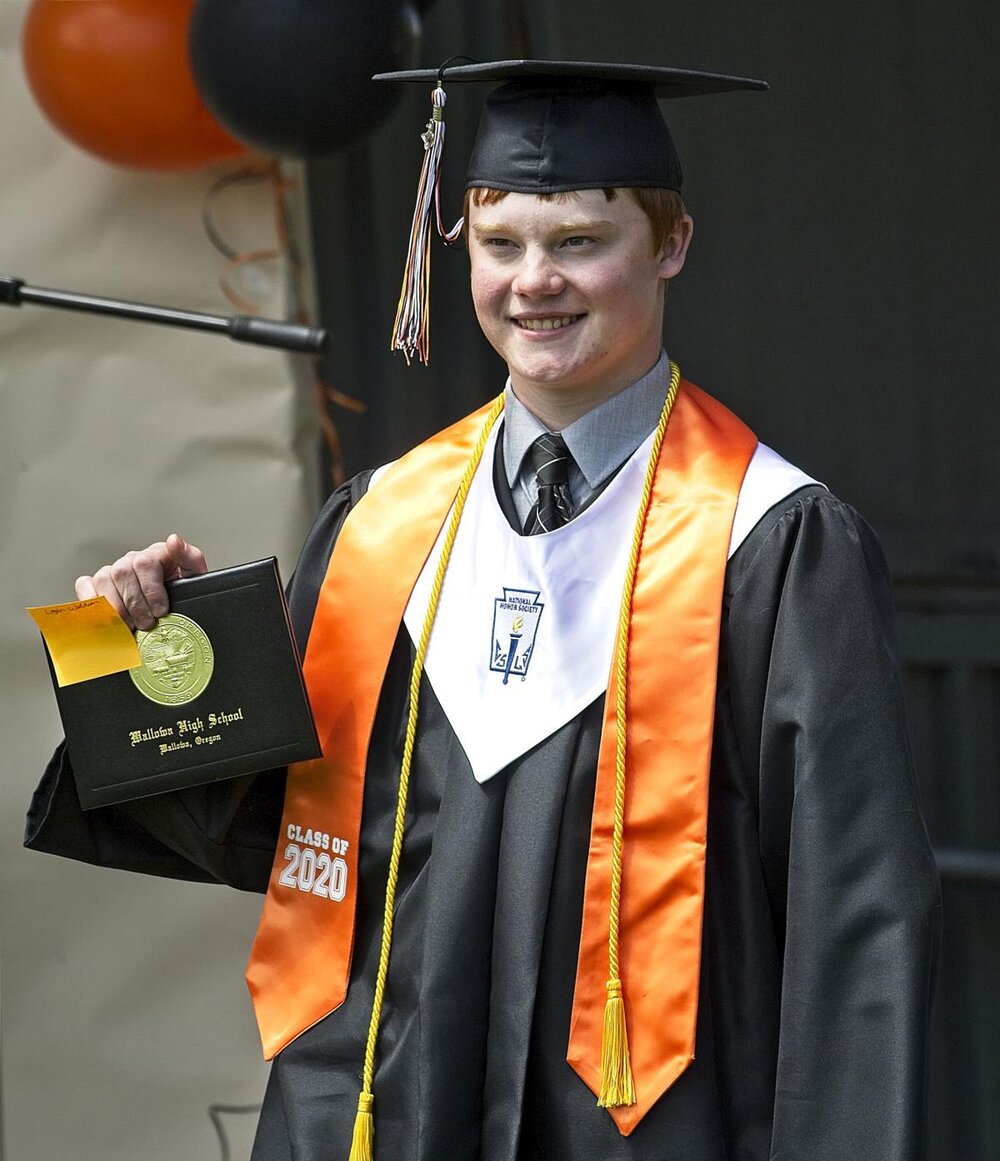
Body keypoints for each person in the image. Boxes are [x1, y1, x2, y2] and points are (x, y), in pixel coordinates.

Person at [26, 61, 941, 1161]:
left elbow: (855, 926)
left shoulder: (773, 542)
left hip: (647, 1120)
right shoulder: (380, 524)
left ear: (671, 245)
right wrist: (147, 658)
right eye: (501, 243)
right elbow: (284, 835)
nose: (532, 282)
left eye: (578, 242)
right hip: (377, 1101)